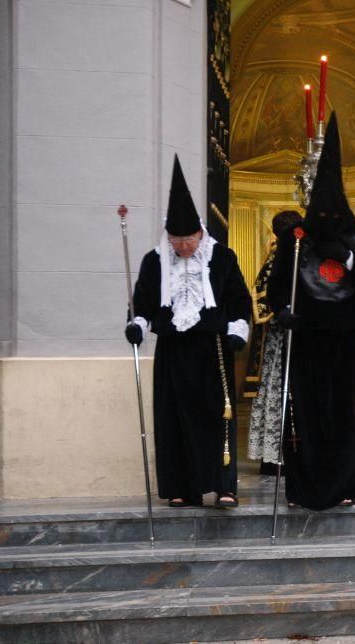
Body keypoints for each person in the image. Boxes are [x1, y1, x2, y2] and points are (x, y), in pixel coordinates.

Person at [267, 113, 355, 510]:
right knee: (307, 416)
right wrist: (282, 311)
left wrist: (348, 258)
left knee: (344, 417)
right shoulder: (297, 239)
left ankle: (346, 486)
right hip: (307, 339)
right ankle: (304, 487)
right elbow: (276, 286)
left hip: (346, 340)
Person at [125, 155, 251, 508]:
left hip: (212, 348)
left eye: (190, 239)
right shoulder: (154, 261)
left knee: (217, 415)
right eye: (177, 240)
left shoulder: (222, 258)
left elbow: (240, 300)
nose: (184, 246)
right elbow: (143, 303)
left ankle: (224, 487)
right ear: (169, 235)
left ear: (201, 232)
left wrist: (237, 331)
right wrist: (137, 325)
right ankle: (180, 486)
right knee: (174, 418)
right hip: (173, 352)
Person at [247, 210, 302, 475]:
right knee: (275, 392)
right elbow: (260, 294)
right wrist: (281, 310)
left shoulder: (303, 254)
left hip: (302, 336)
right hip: (280, 339)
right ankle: (272, 456)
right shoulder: (276, 257)